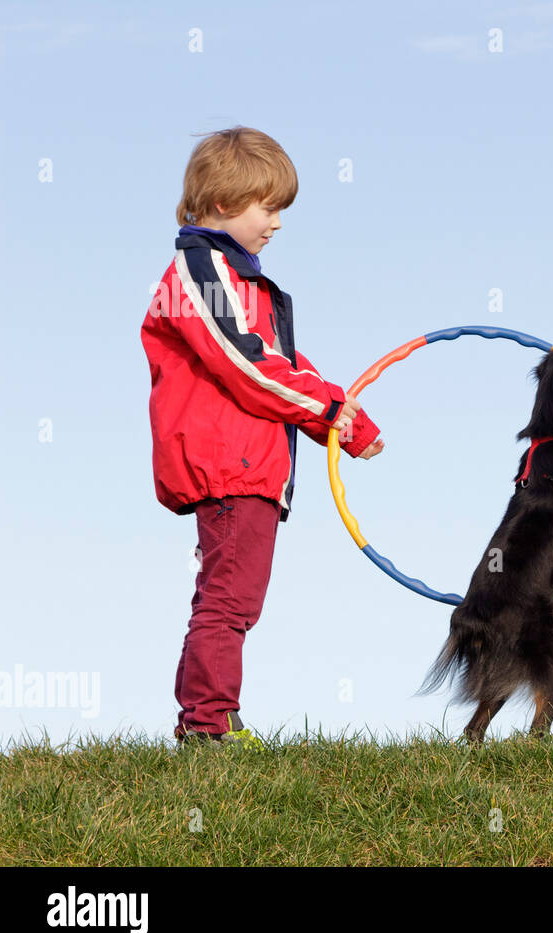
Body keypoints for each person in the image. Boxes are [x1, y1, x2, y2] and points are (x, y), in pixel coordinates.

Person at [141, 127, 385, 748]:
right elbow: (247, 366)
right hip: (230, 463)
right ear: (224, 202)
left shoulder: (238, 278)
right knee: (227, 598)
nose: (277, 223)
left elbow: (280, 362)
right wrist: (332, 413)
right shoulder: (201, 272)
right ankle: (207, 724)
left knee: (235, 597)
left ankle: (212, 717)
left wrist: (347, 421)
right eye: (268, 207)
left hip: (251, 463)